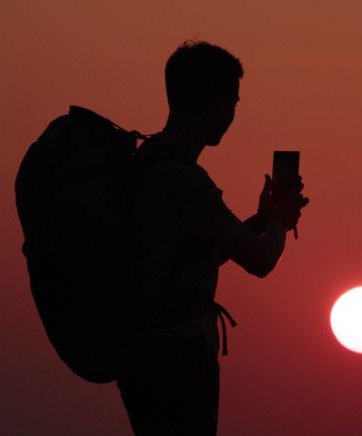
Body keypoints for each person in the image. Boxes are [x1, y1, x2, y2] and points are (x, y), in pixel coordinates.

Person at [117, 40, 309, 435]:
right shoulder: (183, 180)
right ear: (214, 102)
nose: (233, 113)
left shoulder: (151, 162)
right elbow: (259, 261)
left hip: (148, 355)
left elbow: (193, 255)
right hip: (177, 357)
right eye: (233, 102)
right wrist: (280, 223)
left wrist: (260, 219)